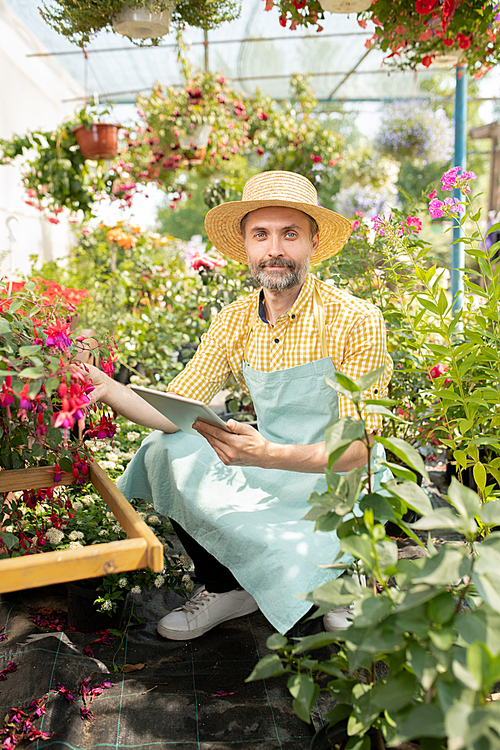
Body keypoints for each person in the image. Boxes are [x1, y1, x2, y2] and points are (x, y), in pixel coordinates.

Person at [83, 170, 393, 640]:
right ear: (245, 246)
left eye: (289, 234)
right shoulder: (236, 321)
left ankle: (344, 577)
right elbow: (176, 409)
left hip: (339, 482)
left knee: (335, 622)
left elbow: (359, 450)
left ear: (312, 242)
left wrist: (264, 454)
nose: (274, 249)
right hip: (266, 467)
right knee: (164, 448)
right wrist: (103, 385)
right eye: (260, 234)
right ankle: (228, 587)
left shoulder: (354, 319)